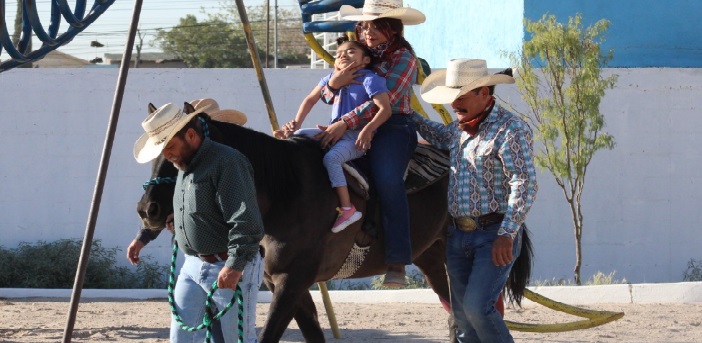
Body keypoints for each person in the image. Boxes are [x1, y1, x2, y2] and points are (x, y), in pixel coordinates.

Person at [411, 58, 538, 342]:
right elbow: (437, 134)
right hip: (457, 235)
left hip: (494, 236)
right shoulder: (458, 129)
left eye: (461, 96)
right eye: (451, 97)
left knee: (477, 309)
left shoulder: (511, 129)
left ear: (485, 94)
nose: (454, 104)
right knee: (464, 319)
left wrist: (507, 234)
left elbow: (525, 183)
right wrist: (407, 115)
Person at [132, 102, 265, 343]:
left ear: (191, 135)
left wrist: (234, 266)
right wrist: (179, 221)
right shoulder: (183, 163)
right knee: (181, 338)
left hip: (227, 264)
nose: (167, 155)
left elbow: (246, 220)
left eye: (170, 146)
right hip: (192, 265)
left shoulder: (227, 162)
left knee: (239, 339)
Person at [315, 0, 426, 287]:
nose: (369, 33)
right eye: (365, 26)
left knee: (388, 180)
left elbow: (382, 103)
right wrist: (333, 84)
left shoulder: (404, 59)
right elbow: (329, 97)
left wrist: (344, 123)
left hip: (392, 128)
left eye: (377, 26)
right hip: (353, 126)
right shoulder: (360, 57)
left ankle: (397, 260)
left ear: (393, 28)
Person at [275, 38, 391, 233]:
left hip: (355, 136)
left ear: (366, 60)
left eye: (351, 51)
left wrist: (367, 129)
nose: (343, 55)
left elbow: (385, 109)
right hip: (332, 131)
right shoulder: (330, 79)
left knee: (332, 158)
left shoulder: (370, 79)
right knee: (299, 137)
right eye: (338, 54)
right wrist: (295, 125)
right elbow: (310, 99)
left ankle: (347, 209)